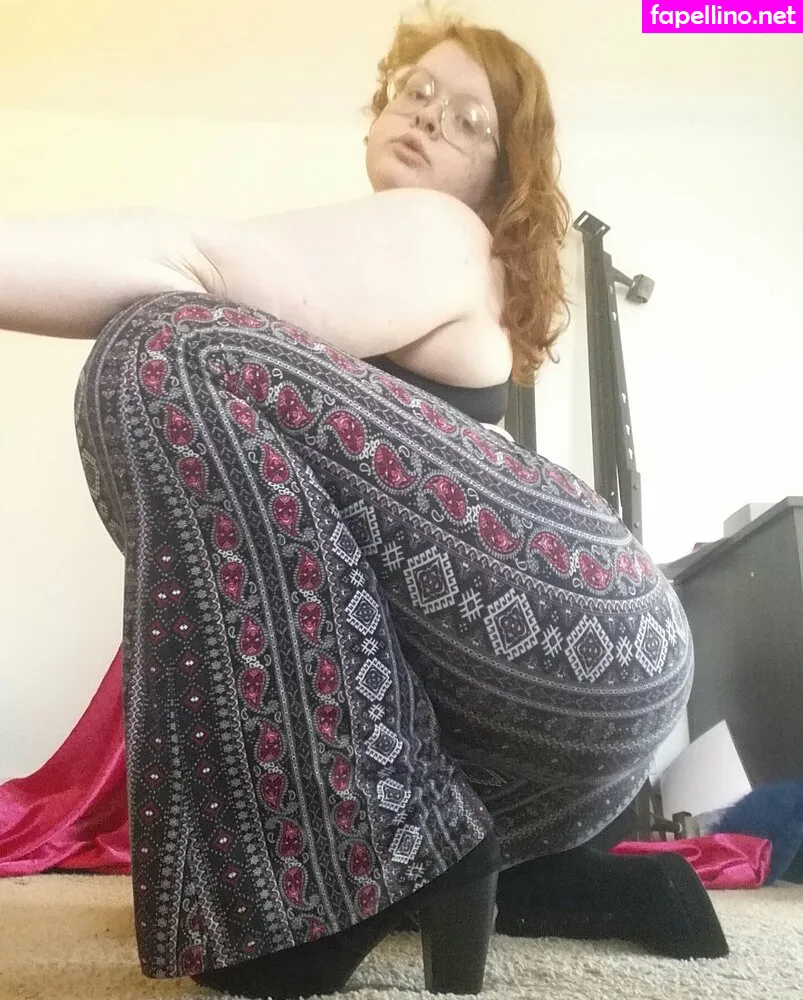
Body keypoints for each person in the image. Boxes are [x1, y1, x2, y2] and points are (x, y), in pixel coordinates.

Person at [1, 11, 723, 999]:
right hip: (549, 739)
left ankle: (353, 866)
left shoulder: (441, 227)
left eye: (467, 120)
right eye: (415, 92)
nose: (426, 116)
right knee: (189, 385)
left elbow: (194, 263)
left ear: (499, 175)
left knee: (161, 348)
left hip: (584, 629)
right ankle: (496, 868)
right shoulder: (383, 289)